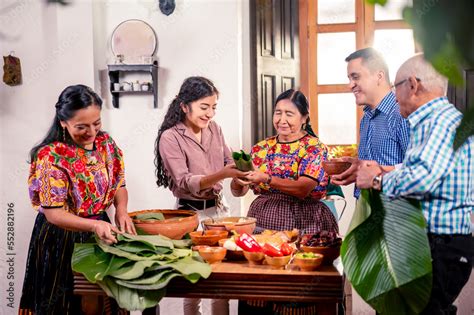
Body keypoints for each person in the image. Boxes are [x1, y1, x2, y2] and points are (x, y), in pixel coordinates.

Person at [356, 54, 473, 315]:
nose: (393, 95)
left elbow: (424, 176)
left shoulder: (438, 122)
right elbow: (432, 170)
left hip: (438, 246)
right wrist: (389, 169)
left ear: (412, 84)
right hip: (435, 244)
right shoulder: (439, 120)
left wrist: (376, 179)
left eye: (395, 87)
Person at [19, 84, 136, 315]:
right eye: (81, 126)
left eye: (96, 123)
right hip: (61, 238)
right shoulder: (51, 156)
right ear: (63, 122)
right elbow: (53, 213)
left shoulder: (106, 145)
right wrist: (95, 224)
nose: (91, 132)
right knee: (65, 304)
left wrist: (121, 210)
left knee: (105, 302)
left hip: (101, 230)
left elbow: (119, 184)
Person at [231, 89, 338, 314]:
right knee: (259, 283)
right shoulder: (261, 148)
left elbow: (303, 188)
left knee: (301, 286)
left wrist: (266, 178)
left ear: (304, 118)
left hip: (306, 220)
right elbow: (239, 191)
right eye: (278, 113)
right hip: (263, 219)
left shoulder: (315, 148)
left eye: (289, 114)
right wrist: (238, 178)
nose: (282, 120)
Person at [153, 76, 248, 315]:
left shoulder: (215, 129)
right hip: (190, 214)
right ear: (185, 106)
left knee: (221, 278)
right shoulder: (170, 137)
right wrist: (222, 174)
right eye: (204, 107)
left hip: (218, 211)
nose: (210, 114)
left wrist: (242, 175)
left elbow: (229, 162)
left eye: (214, 107)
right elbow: (184, 181)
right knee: (192, 279)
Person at [331, 47, 410, 196]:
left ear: (379, 76)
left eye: (356, 77)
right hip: (366, 207)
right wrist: (357, 166)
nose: (350, 85)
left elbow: (416, 171)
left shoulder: (402, 114)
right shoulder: (366, 118)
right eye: (349, 78)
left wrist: (374, 175)